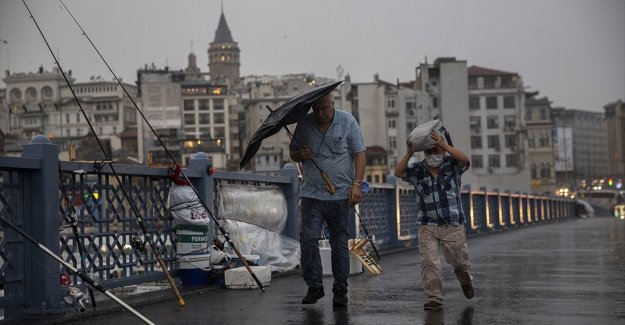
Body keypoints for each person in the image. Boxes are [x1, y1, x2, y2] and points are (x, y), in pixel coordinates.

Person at [289, 93, 366, 307]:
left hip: (340, 194)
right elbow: (293, 153)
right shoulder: (304, 124)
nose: (321, 113)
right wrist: (299, 154)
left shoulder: (347, 121)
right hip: (312, 193)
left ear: (332, 103)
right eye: (316, 109)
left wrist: (357, 184)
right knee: (308, 238)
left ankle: (340, 288)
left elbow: (360, 153)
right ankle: (314, 286)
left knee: (339, 242)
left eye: (324, 108)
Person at [393, 129, 474, 310]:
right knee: (429, 262)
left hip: (452, 223)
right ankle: (434, 297)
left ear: (443, 151)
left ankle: (465, 280)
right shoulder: (418, 169)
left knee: (460, 263)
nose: (432, 155)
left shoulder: (452, 165)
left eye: (435, 151)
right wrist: (409, 152)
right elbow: (398, 173)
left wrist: (444, 145)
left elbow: (465, 160)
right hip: (427, 224)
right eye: (429, 151)